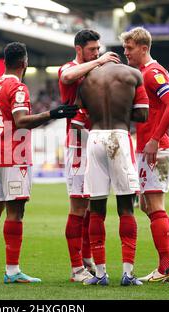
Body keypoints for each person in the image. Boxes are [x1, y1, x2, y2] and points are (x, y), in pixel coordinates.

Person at [0, 42, 78, 284]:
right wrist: (52, 114)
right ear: (24, 62)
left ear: (5, 62)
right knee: (15, 212)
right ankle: (12, 271)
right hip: (15, 156)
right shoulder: (18, 87)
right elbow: (21, 121)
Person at [120, 27, 169, 282]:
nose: (126, 52)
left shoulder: (153, 73)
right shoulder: (144, 73)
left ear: (143, 48)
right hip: (149, 147)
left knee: (154, 205)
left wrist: (153, 139)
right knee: (149, 206)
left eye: (129, 48)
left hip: (156, 148)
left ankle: (166, 269)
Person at [78, 58, 149, 286]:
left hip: (95, 138)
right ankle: (127, 273)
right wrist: (120, 112)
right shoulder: (133, 74)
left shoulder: (86, 78)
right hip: (119, 136)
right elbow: (143, 115)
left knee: (96, 209)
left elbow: (81, 117)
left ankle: (100, 274)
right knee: (126, 207)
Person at [58, 29, 120, 282]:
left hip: (99, 142)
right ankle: (76, 269)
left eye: (98, 49)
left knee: (93, 206)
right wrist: (100, 61)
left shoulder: (97, 69)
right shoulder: (70, 67)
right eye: (92, 49)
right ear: (79, 49)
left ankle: (86, 259)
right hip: (78, 145)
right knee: (77, 207)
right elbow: (68, 76)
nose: (97, 53)